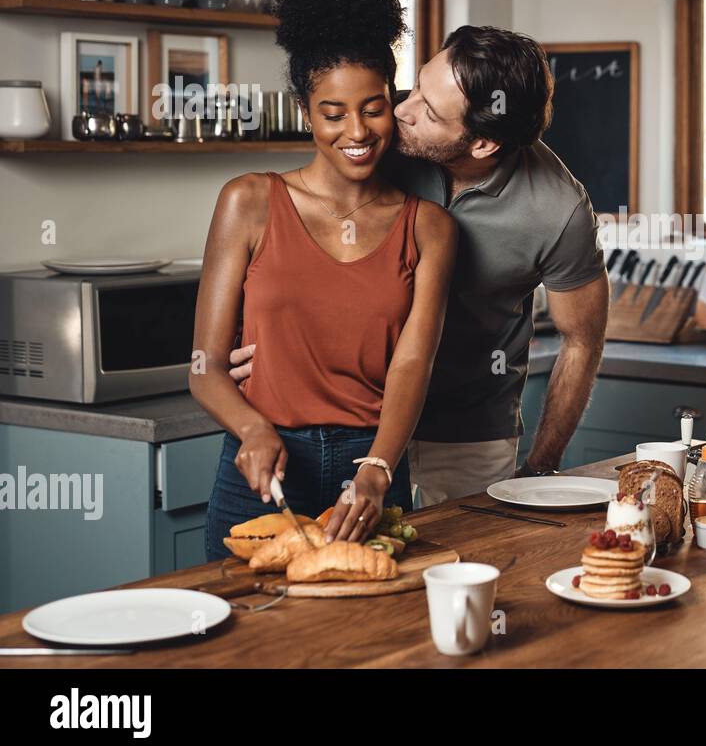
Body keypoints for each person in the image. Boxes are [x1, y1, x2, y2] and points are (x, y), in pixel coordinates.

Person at [231, 26, 608, 504]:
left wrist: (541, 466)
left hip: (467, 436)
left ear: (482, 145)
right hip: (353, 423)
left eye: (428, 112)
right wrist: (244, 343)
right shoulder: (381, 135)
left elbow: (582, 337)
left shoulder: (559, 210)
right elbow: (291, 240)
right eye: (416, 85)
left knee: (456, 572)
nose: (401, 109)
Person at [192, 0, 456, 559]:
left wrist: (380, 467)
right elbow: (204, 365)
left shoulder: (430, 228)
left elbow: (412, 363)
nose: (357, 132)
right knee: (245, 642)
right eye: (333, 113)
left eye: (374, 108)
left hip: (370, 473)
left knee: (369, 641)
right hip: (262, 467)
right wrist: (253, 429)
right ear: (305, 111)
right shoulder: (249, 202)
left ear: (395, 101)